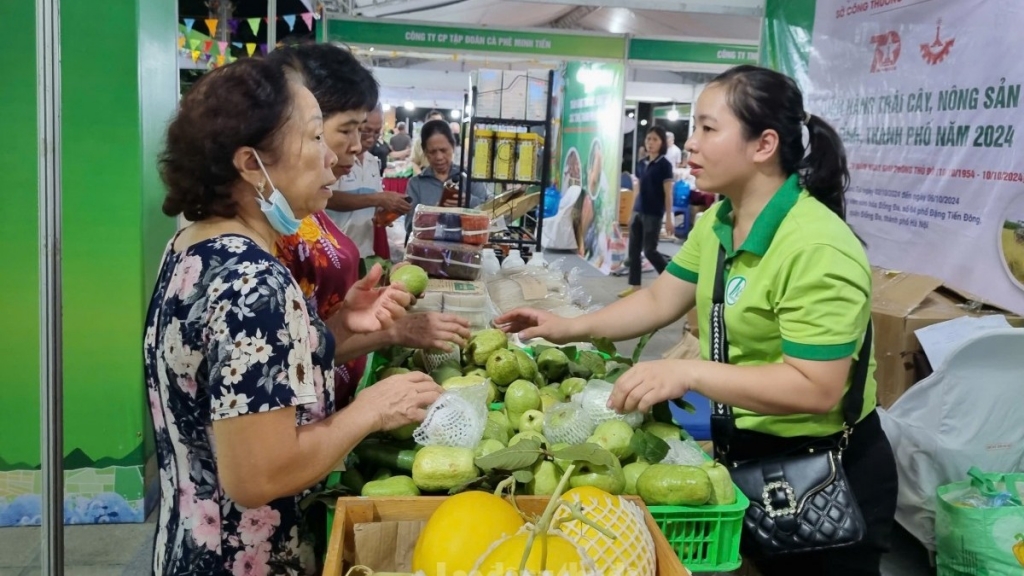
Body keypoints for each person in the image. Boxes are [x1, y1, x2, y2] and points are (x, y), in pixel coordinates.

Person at [496, 64, 896, 576]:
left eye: (709, 129)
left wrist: (686, 372)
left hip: (824, 475)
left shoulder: (816, 247)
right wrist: (565, 325)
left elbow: (816, 387)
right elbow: (660, 300)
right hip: (749, 456)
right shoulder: (720, 221)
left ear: (763, 144)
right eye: (693, 128)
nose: (690, 144)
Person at [146, 58, 442, 575]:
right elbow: (259, 474)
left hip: (188, 541)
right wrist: (369, 410)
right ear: (250, 164)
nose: (333, 158)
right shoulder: (254, 282)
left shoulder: (194, 247)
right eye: (315, 137)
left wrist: (341, 327)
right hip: (246, 560)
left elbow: (240, 384)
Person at [266, 44, 471, 407]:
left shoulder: (302, 209)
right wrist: (372, 410)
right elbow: (264, 448)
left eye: (364, 132)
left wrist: (351, 321)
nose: (358, 147)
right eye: (343, 131)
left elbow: (300, 351)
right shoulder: (244, 266)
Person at [329, 103, 410, 258]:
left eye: (377, 132)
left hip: (364, 251)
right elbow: (328, 198)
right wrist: (377, 199)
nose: (371, 138)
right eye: (365, 131)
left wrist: (384, 212)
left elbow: (372, 203)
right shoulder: (335, 159)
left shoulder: (373, 162)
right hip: (335, 252)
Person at [619, 126, 674, 298]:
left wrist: (669, 218)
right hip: (638, 211)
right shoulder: (641, 163)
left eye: (655, 139)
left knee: (650, 250)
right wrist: (630, 213)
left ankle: (671, 282)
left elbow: (668, 192)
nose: (651, 143)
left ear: (662, 143)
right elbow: (637, 188)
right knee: (633, 251)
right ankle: (635, 287)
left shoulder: (665, 165)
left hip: (653, 213)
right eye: (648, 139)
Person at [406, 119, 488, 233]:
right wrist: (434, 213)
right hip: (429, 249)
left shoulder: (469, 179)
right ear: (425, 152)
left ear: (453, 147)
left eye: (444, 150)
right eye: (432, 152)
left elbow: (489, 216)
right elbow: (409, 227)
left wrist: (469, 201)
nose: (439, 157)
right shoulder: (416, 184)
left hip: (465, 249)